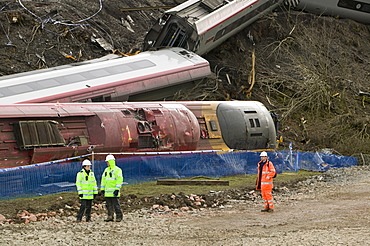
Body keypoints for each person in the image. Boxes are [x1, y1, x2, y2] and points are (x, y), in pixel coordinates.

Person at [100, 154, 123, 222]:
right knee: (109, 205)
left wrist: (117, 189)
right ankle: (110, 216)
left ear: (111, 161)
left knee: (116, 205)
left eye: (108, 162)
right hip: (107, 192)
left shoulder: (117, 170)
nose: (107, 163)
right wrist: (102, 189)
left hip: (113, 192)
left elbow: (119, 180)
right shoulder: (106, 170)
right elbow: (103, 180)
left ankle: (119, 216)